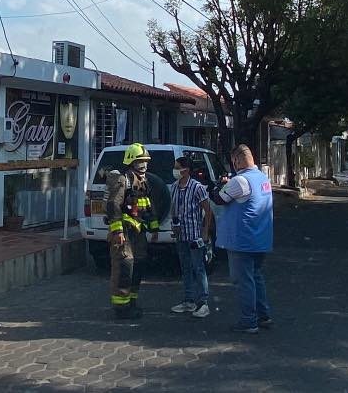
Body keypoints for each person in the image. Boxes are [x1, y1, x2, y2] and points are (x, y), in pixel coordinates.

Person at [208, 144, 273, 334]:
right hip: (260, 238)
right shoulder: (262, 178)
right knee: (256, 277)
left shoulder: (240, 181)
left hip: (242, 240)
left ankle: (248, 321)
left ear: (237, 160)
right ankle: (263, 316)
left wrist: (220, 185)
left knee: (243, 281)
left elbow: (219, 199)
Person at [104, 143, 160, 320]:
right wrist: (118, 231)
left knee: (138, 266)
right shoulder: (123, 180)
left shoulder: (144, 182)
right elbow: (113, 205)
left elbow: (148, 205)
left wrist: (154, 228)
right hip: (125, 232)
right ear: (131, 163)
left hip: (139, 232)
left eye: (145, 162)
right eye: (139, 162)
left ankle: (132, 301)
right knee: (124, 266)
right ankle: (121, 307)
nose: (143, 166)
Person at [170, 155, 213, 318]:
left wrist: (205, 230)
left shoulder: (197, 187)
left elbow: (207, 210)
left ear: (186, 170)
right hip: (181, 235)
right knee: (185, 268)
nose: (175, 170)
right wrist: (174, 225)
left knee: (198, 267)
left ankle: (203, 302)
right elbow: (174, 207)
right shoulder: (174, 187)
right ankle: (189, 300)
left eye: (177, 167)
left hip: (195, 234)